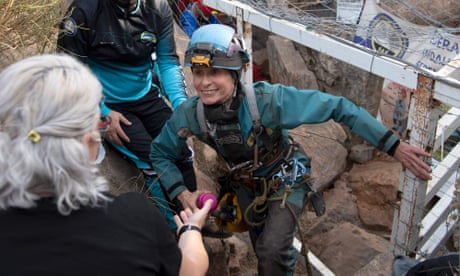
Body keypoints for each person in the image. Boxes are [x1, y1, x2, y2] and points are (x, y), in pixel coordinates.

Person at [149, 24, 433, 275]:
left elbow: (339, 107)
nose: (204, 82)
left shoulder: (268, 102)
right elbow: (159, 152)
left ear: (236, 73)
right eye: (198, 73)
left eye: (215, 72)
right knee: (263, 246)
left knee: (272, 252)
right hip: (246, 186)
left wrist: (393, 146)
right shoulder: (191, 114)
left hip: (286, 178)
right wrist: (181, 192)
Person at [0, 54, 211, 276]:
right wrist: (191, 230)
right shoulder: (134, 219)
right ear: (88, 141)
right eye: (99, 122)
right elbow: (189, 270)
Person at [56, 0, 199, 232]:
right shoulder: (83, 11)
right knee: (151, 155)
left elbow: (166, 60)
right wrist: (100, 112)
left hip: (145, 95)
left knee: (180, 148)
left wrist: (181, 106)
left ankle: (194, 218)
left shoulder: (158, 8)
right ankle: (171, 228)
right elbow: (69, 71)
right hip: (105, 102)